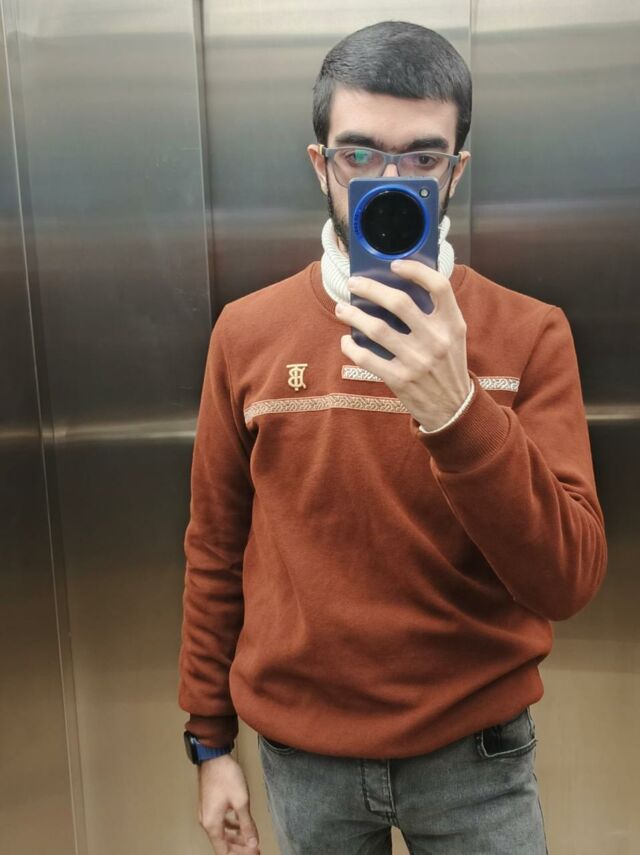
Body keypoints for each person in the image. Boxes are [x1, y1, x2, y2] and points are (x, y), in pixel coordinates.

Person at [177, 20, 607, 855]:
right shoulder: (246, 333)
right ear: (320, 163)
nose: (389, 182)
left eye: (422, 158)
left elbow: (569, 577)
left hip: (477, 755)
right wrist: (208, 739)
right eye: (359, 154)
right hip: (304, 756)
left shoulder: (528, 333)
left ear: (456, 172)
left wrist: (458, 412)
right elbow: (215, 545)